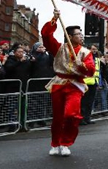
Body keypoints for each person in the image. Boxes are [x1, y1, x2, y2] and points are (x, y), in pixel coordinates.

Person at [40, 10, 95, 157]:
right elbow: (46, 36)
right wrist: (54, 20)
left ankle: (65, 142)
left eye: (81, 34)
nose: (81, 36)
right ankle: (55, 143)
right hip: (59, 84)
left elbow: (91, 70)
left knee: (71, 114)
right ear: (70, 37)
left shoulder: (86, 52)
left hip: (75, 85)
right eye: (78, 34)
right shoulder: (59, 48)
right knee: (57, 117)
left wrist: (82, 65)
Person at [80, 45, 101, 125]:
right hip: (85, 82)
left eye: (96, 49)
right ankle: (81, 119)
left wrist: (98, 82)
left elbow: (98, 72)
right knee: (83, 102)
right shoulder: (85, 58)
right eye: (93, 49)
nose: (94, 50)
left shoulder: (97, 59)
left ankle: (87, 118)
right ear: (89, 49)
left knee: (90, 102)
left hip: (94, 82)